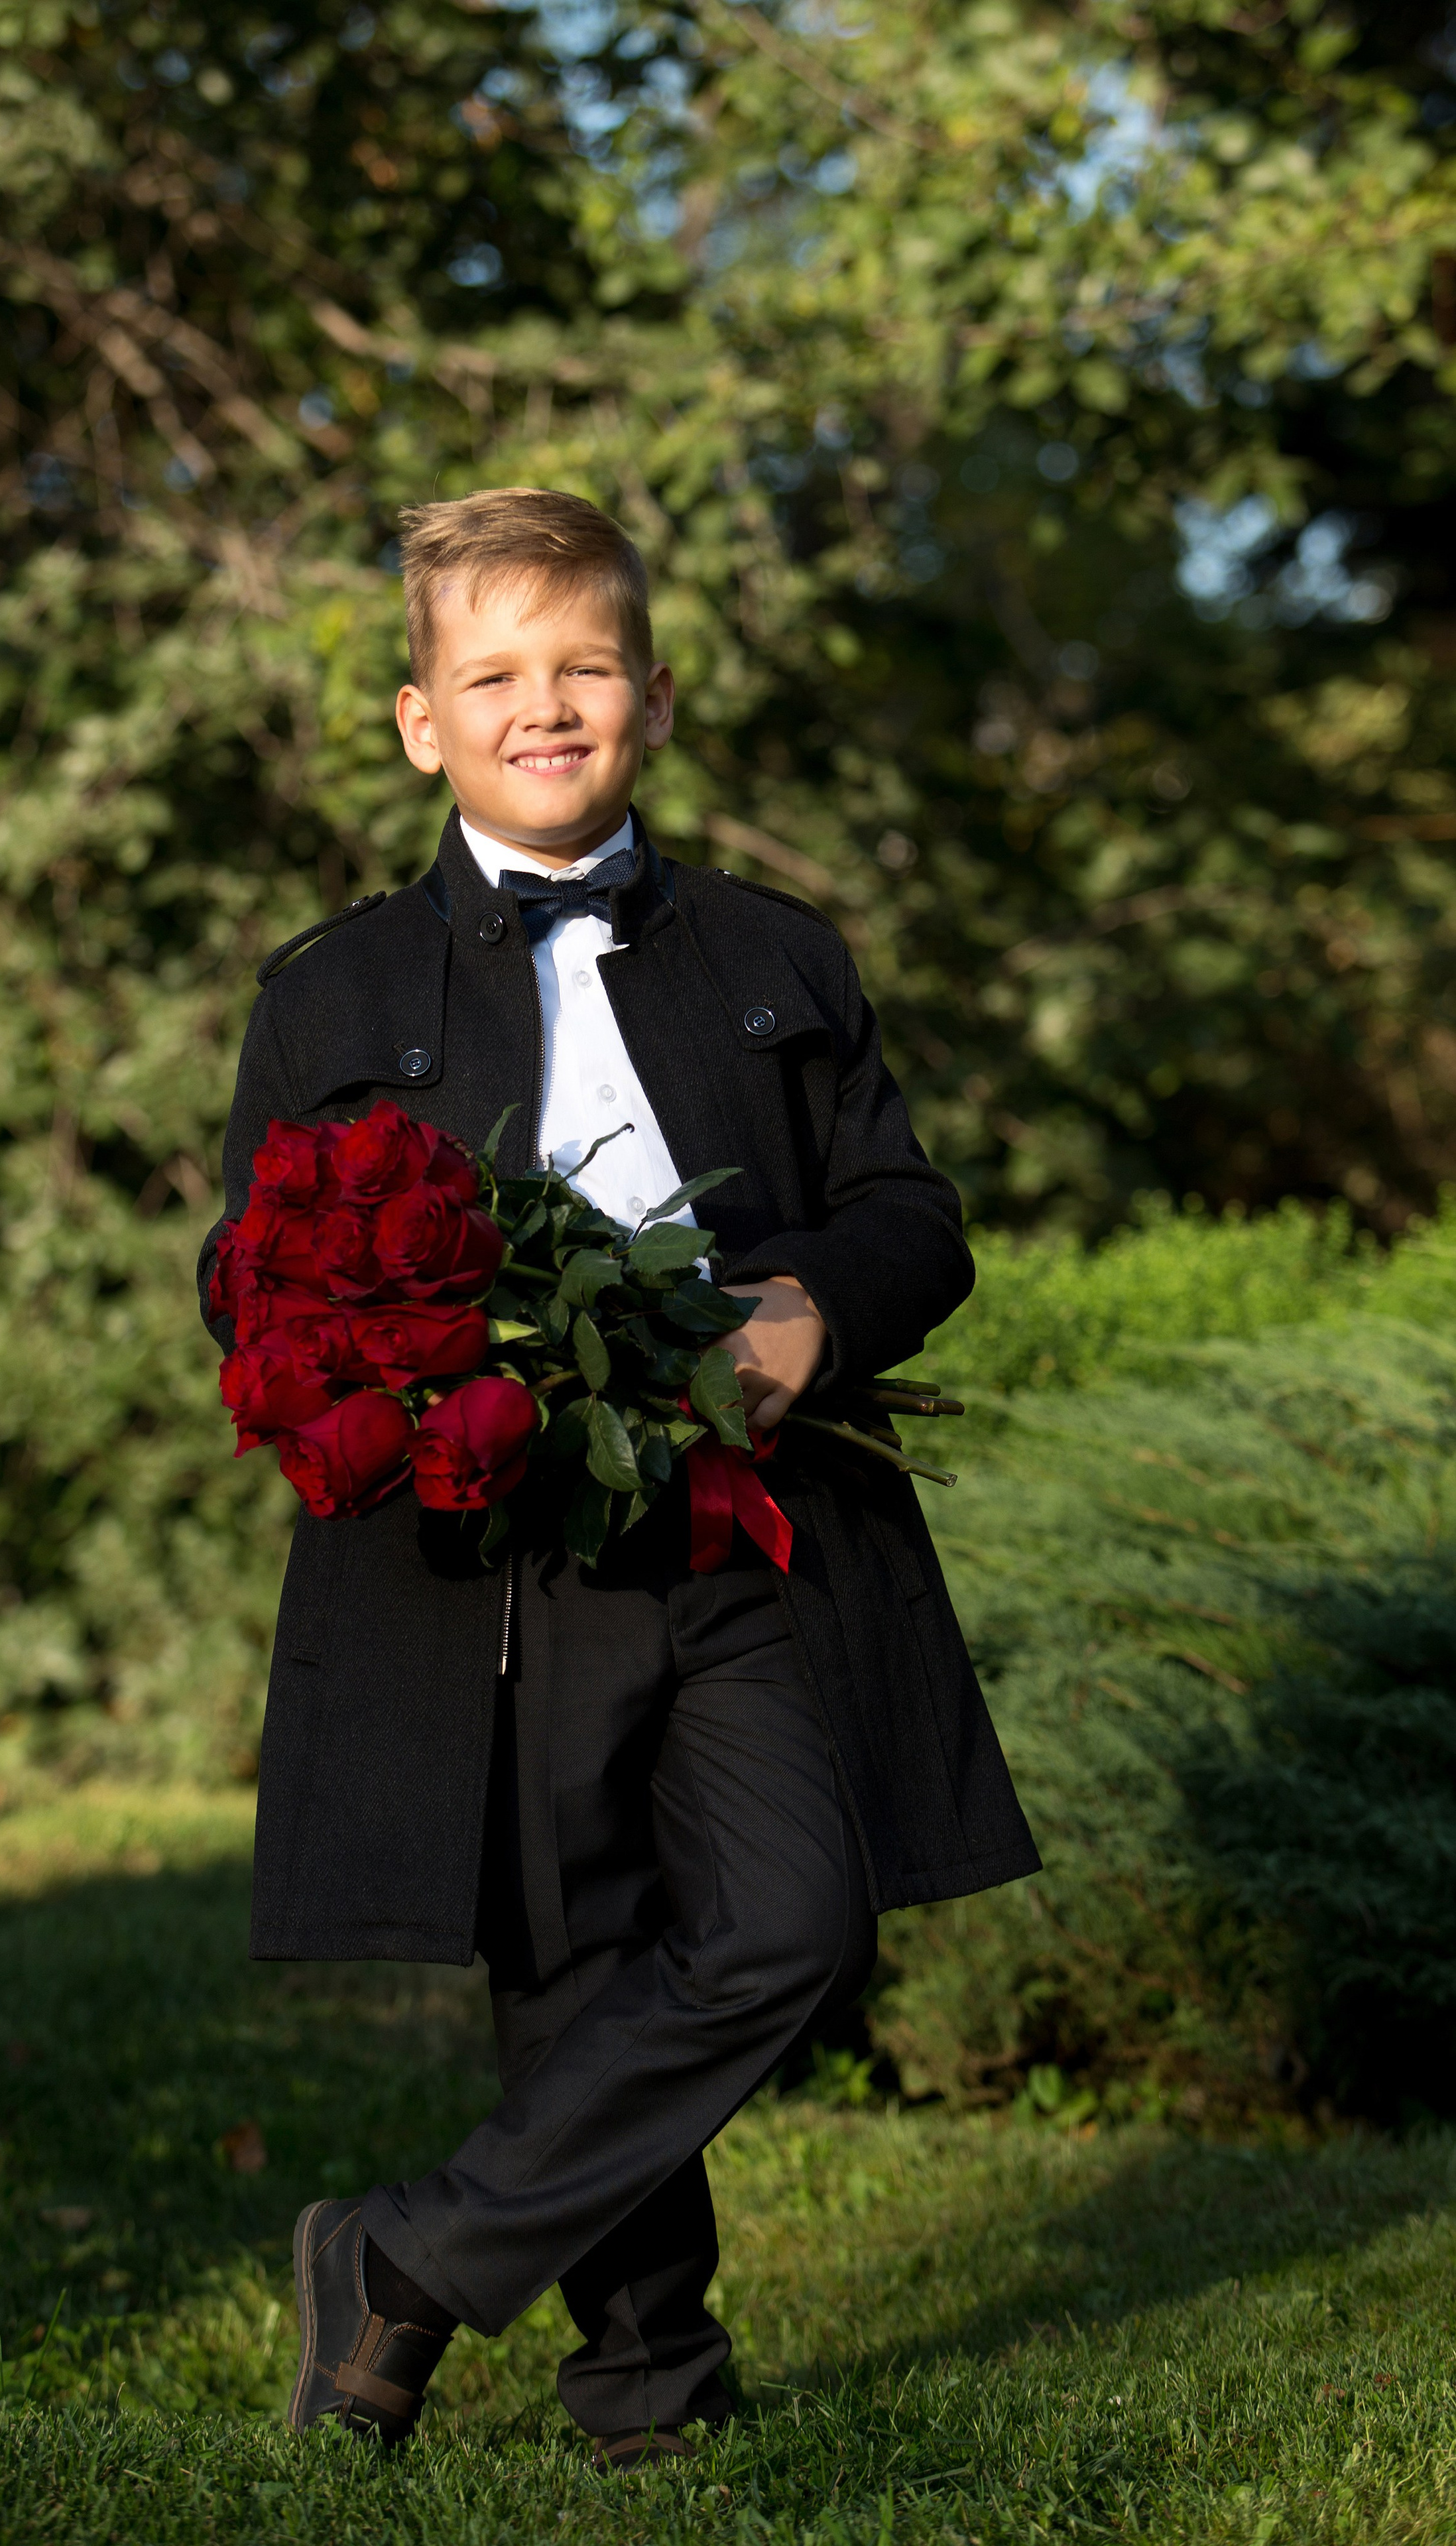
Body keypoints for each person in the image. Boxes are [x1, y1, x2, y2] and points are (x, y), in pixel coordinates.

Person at [198, 487, 1039, 2470]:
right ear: (424, 722)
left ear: (651, 698)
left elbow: (915, 1214)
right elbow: (245, 1277)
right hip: (498, 1549)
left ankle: (402, 2259)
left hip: (753, 1516)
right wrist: (396, 1374)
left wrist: (819, 1310)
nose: (544, 706)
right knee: (567, 1958)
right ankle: (648, 2390)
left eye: (584, 667)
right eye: (495, 676)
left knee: (790, 1920)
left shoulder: (779, 953)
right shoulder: (327, 995)